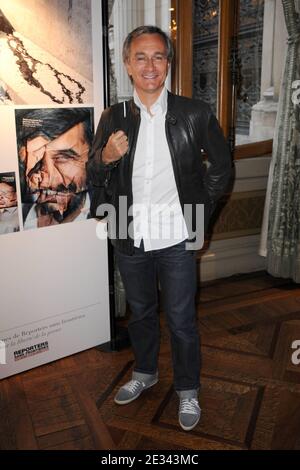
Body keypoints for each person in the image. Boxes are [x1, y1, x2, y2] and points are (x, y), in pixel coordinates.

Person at [87, 26, 232, 431]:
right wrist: (107, 156)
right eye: (141, 57)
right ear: (128, 66)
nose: (150, 65)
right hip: (129, 234)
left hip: (177, 237)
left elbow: (222, 169)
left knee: (183, 319)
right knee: (141, 313)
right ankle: (145, 373)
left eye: (158, 57)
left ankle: (188, 389)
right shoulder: (112, 117)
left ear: (168, 63)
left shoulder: (194, 113)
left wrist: (198, 217)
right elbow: (92, 174)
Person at [16, 108, 93, 229]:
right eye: (37, 160)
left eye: (63, 158)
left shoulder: (105, 217)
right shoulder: (13, 220)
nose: (48, 180)